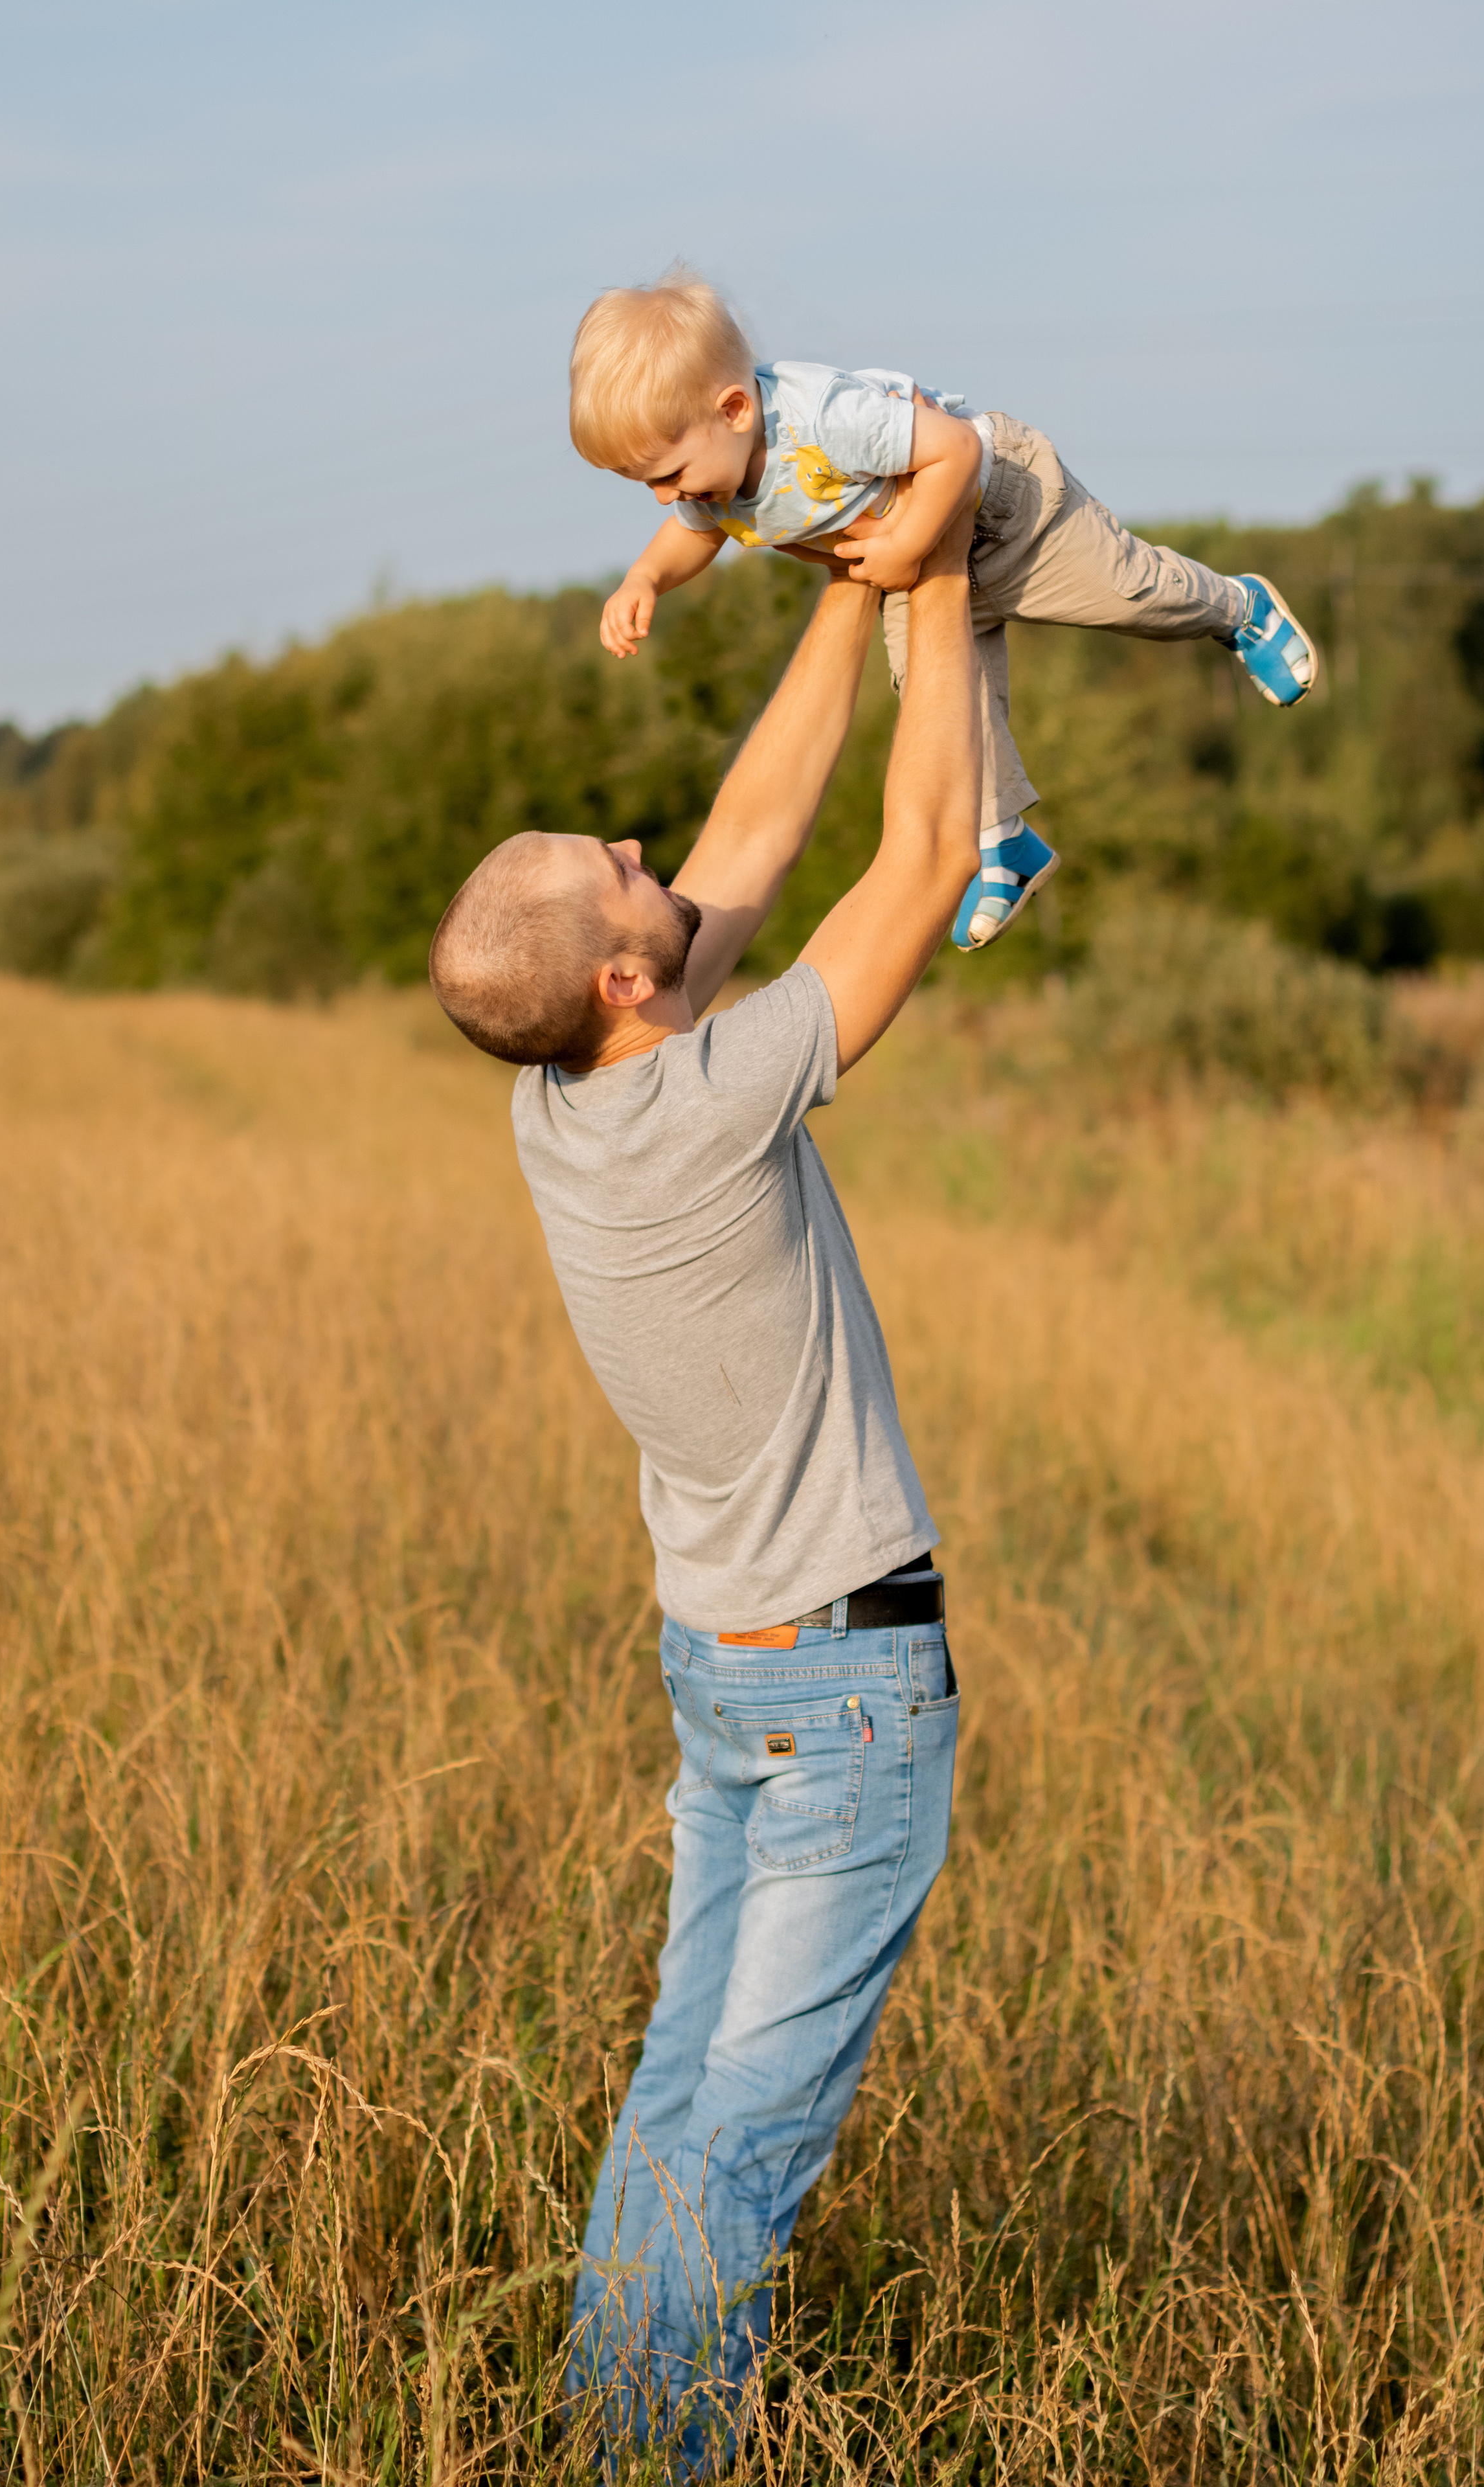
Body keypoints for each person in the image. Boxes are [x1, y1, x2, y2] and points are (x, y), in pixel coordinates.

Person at [428, 494, 983, 2476]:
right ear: (619, 982)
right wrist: (938, 575)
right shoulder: (708, 1099)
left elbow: (748, 844)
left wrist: (836, 595)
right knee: (736, 2152)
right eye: (615, 871)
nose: (648, 853)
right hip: (837, 1697)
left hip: (728, 1683)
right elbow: (919, 859)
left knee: (681, 2106)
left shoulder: (565, 1098)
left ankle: (608, 2438)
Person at [569, 266, 1318, 951]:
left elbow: (954, 450)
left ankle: (1237, 607)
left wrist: (911, 541)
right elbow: (687, 538)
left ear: (732, 408)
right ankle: (1005, 844)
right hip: (921, 569)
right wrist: (645, 581)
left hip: (1008, 516)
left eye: (667, 474)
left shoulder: (826, 417)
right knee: (936, 701)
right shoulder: (713, 480)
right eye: (646, 485)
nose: (669, 497)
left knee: (1131, 592)